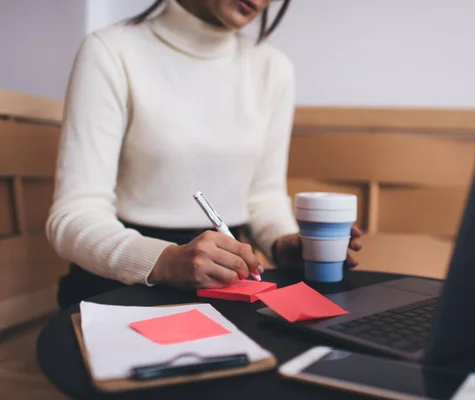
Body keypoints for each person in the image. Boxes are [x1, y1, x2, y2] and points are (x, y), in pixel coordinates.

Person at [46, 0, 362, 309]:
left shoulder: (272, 68)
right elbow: (74, 215)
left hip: (226, 282)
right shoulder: (110, 50)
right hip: (118, 286)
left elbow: (262, 197)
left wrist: (284, 245)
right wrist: (165, 261)